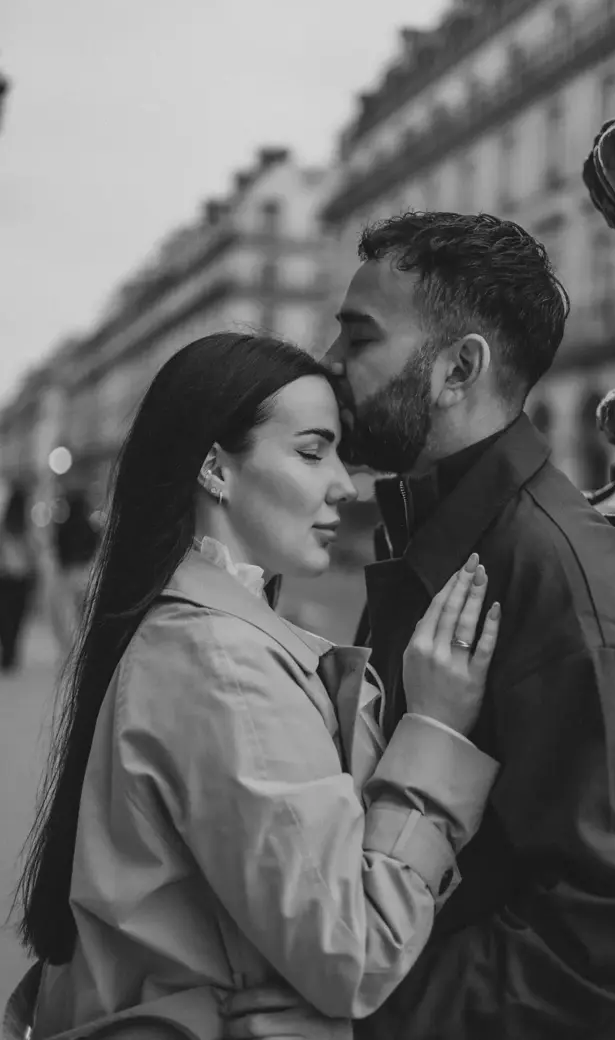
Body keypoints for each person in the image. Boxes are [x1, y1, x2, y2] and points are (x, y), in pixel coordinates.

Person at [222, 212, 615, 1040]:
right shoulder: (435, 531)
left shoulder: (560, 584)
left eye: (358, 338)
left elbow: (611, 941)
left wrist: (370, 1020)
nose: (329, 367)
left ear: (457, 368)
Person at [14, 332, 502, 1040]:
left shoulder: (190, 629)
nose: (344, 482)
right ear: (216, 468)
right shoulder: (222, 664)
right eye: (311, 450)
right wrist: (437, 731)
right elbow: (354, 952)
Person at [48, 489, 100, 657]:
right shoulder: (91, 528)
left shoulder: (63, 529)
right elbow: (96, 550)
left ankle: (73, 646)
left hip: (69, 574)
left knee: (68, 613)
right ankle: (84, 645)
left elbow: (57, 552)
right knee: (84, 612)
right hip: (86, 574)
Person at [0, 482, 37, 673]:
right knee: (15, 618)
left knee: (6, 618)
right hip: (20, 579)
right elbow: (34, 554)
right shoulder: (24, 527)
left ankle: (8, 652)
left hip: (6, 579)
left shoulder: (6, 526)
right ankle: (10, 652)